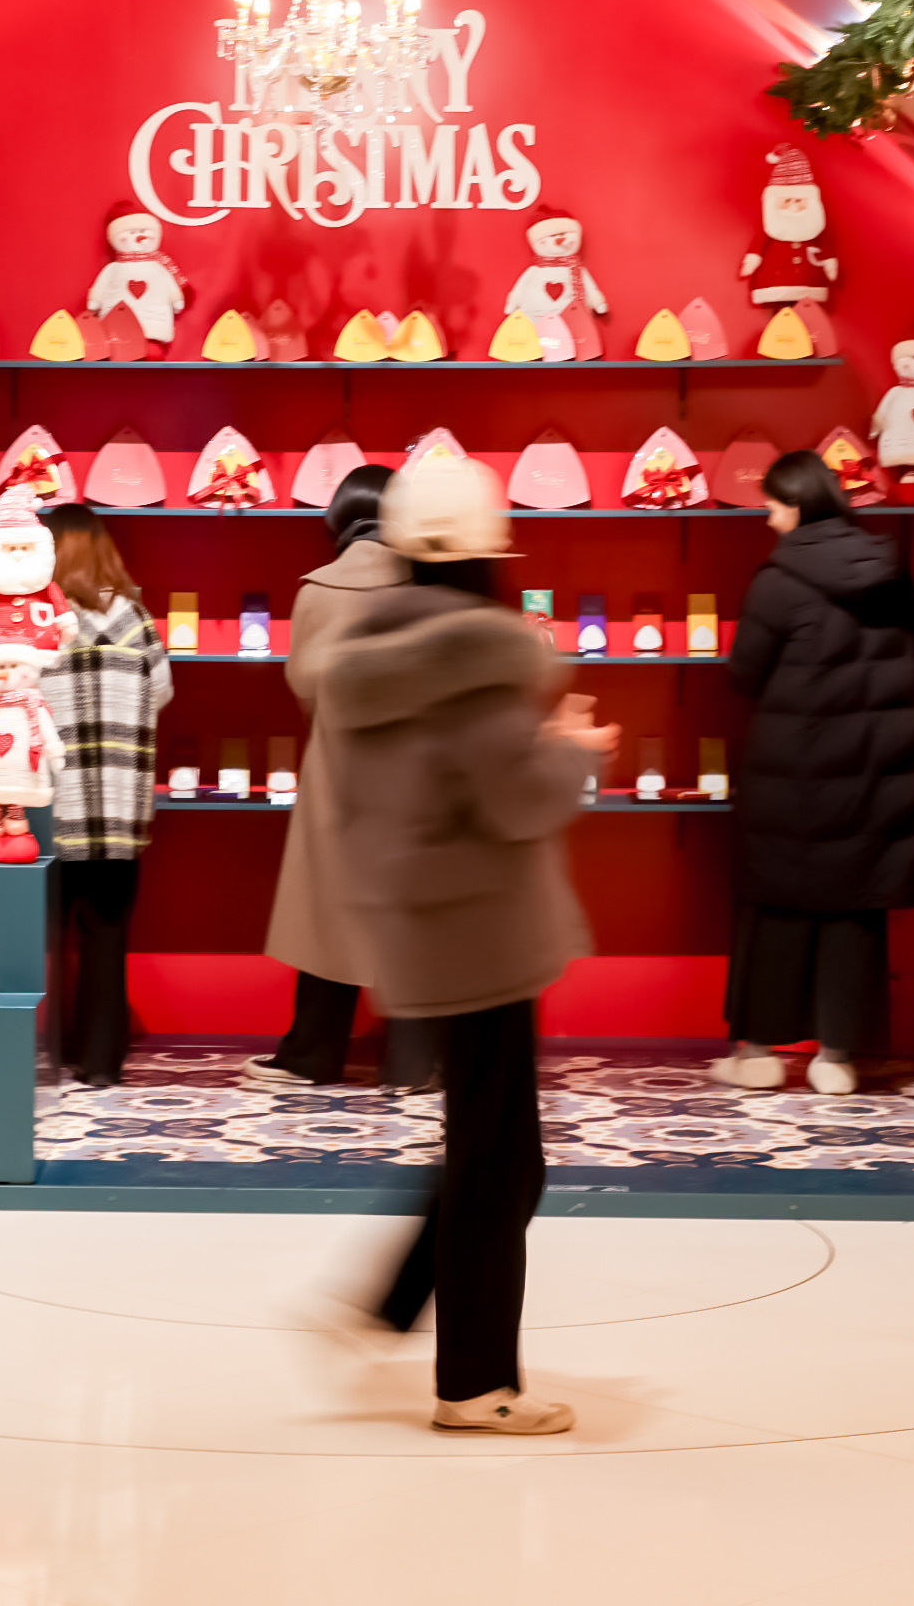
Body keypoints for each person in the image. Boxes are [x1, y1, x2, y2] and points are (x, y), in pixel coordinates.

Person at [318, 455, 616, 1435]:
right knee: (500, 1158)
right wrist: (571, 750)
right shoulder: (479, 659)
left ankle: (397, 1301)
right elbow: (514, 799)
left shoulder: (370, 656)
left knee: (492, 1146)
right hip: (486, 929)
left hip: (420, 925)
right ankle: (475, 1382)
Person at [718, 450, 914, 1096]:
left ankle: (759, 1053)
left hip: (793, 771)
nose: (768, 520)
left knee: (776, 906)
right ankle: (836, 1057)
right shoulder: (892, 571)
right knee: (852, 911)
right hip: (873, 769)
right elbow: (910, 659)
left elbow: (744, 674)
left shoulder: (778, 580)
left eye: (772, 506)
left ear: (797, 504)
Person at [244, 465, 434, 1091]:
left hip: (339, 770)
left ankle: (312, 1055)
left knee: (327, 917)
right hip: (415, 773)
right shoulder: (425, 583)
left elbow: (303, 686)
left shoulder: (317, 589)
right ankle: (414, 1063)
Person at [41, 504, 174, 1087]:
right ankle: (100, 1062)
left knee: (41, 936)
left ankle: (42, 1053)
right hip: (119, 810)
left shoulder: (40, 624)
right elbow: (162, 692)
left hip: (52, 806)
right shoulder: (136, 620)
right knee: (107, 932)